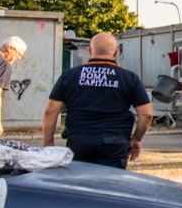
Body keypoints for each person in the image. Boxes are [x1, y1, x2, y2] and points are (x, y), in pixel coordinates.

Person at [41, 32, 153, 168]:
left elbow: (50, 112)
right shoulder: (129, 78)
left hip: (79, 142)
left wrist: (48, 145)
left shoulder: (70, 75)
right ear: (116, 52)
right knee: (109, 186)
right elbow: (146, 115)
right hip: (114, 144)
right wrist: (136, 139)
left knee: (79, 185)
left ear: (90, 50)